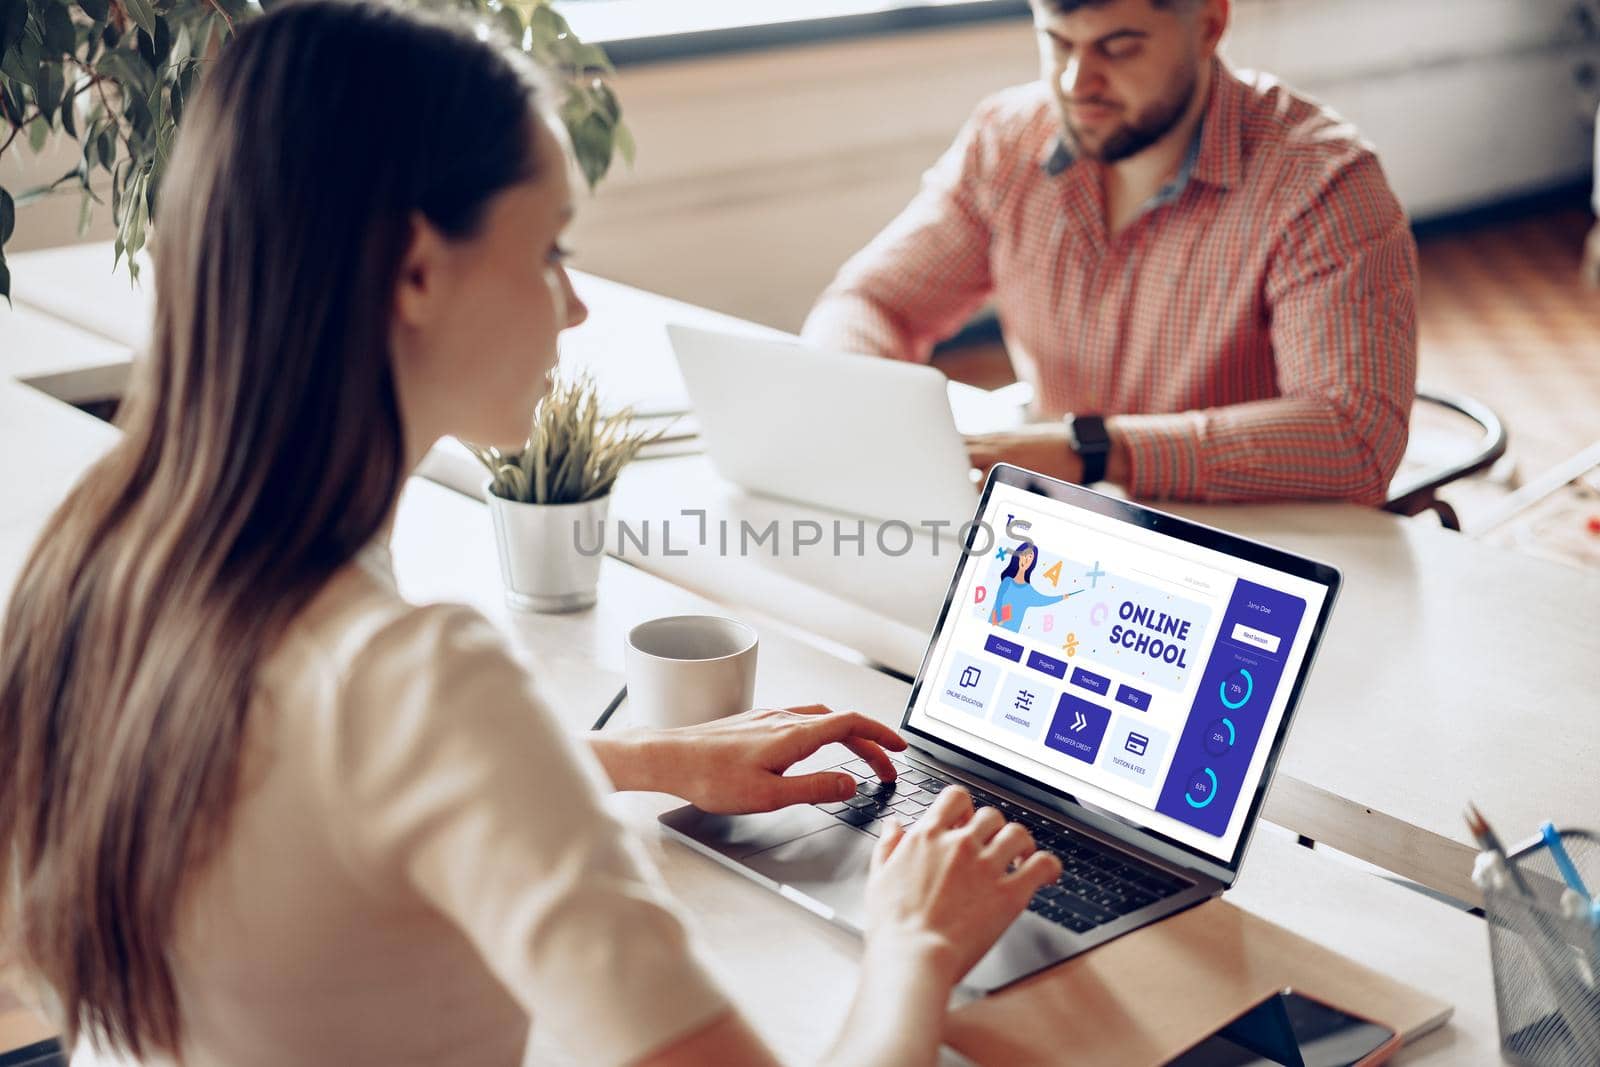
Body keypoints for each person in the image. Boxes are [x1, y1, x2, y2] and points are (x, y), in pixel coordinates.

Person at [0, 4, 1062, 1065]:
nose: (574, 309)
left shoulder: (94, 555)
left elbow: (324, 798)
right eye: (549, 247)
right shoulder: (417, 678)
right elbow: (398, 743)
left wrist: (642, 756)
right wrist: (913, 944)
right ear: (417, 270)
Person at [802, 0, 1419, 505]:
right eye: (1059, 42)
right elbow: (870, 301)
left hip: (1251, 537)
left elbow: (1356, 439)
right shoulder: (1008, 140)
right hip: (1063, 513)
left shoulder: (1324, 182)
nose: (1077, 84)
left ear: (1209, 24)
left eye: (1118, 47)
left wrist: (1093, 449)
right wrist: (871, 412)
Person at [988, 542, 1074, 632]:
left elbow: (1043, 600)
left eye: (1030, 557)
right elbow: (999, 599)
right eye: (1024, 555)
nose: (1026, 559)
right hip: (993, 627)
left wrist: (1062, 597)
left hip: (1011, 631)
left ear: (1032, 563)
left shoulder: (1028, 591)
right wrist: (999, 617)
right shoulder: (1007, 581)